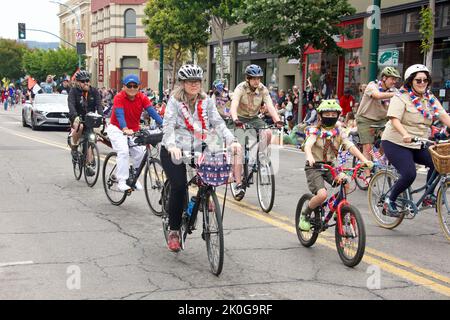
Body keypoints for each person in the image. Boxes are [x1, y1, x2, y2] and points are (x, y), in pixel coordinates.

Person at [161, 64, 241, 252]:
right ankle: (173, 231)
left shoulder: (206, 101)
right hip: (175, 148)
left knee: (214, 162)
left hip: (199, 143)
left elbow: (218, 123)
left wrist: (232, 140)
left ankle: (203, 197)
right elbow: (168, 125)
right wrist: (172, 146)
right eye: (190, 81)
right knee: (179, 186)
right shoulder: (174, 101)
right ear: (183, 83)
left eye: (197, 81)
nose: (194, 84)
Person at [381, 64, 450, 216]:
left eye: (425, 80)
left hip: (419, 142)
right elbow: (394, 119)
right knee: (409, 173)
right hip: (396, 141)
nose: (422, 83)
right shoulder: (400, 97)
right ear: (410, 81)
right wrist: (405, 134)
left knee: (439, 163)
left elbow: (443, 115)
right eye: (418, 80)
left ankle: (428, 195)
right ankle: (390, 200)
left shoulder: (429, 98)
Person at [299, 100, 373, 231]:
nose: (331, 117)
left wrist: (363, 160)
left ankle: (340, 210)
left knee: (346, 182)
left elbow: (349, 146)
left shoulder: (339, 131)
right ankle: (305, 214)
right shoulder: (314, 131)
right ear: (320, 116)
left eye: (334, 114)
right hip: (314, 167)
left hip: (330, 166)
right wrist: (309, 156)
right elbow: (308, 145)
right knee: (322, 195)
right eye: (327, 114)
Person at [229, 64, 283, 197]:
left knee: (268, 132)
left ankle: (260, 156)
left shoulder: (263, 89)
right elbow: (234, 105)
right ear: (248, 78)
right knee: (239, 150)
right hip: (239, 119)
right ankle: (239, 183)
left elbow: (269, 105)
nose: (256, 81)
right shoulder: (240, 88)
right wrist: (235, 119)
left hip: (253, 118)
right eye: (253, 79)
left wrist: (277, 120)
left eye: (258, 78)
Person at [107, 74, 163, 192]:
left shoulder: (142, 97)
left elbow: (152, 112)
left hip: (134, 130)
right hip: (117, 129)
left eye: (135, 86)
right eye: (129, 85)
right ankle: (121, 181)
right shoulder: (119, 97)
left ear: (138, 87)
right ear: (124, 87)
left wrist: (164, 124)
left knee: (142, 153)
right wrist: (125, 128)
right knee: (124, 151)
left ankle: (133, 175)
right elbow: (119, 115)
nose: (132, 88)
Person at [355, 67, 401, 173]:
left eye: (396, 80)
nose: (394, 82)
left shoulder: (394, 90)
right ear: (384, 78)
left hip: (382, 120)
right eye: (392, 79)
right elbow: (378, 95)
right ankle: (367, 175)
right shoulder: (372, 86)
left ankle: (378, 158)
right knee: (368, 147)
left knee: (389, 140)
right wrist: (396, 95)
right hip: (365, 120)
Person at [68, 70, 104, 176]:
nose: (86, 83)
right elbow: (71, 105)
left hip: (90, 118)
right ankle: (74, 147)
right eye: (83, 81)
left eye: (87, 80)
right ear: (78, 82)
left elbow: (99, 105)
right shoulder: (73, 92)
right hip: (77, 117)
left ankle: (89, 164)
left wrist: (101, 117)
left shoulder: (94, 91)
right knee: (80, 125)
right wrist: (75, 116)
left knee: (91, 139)